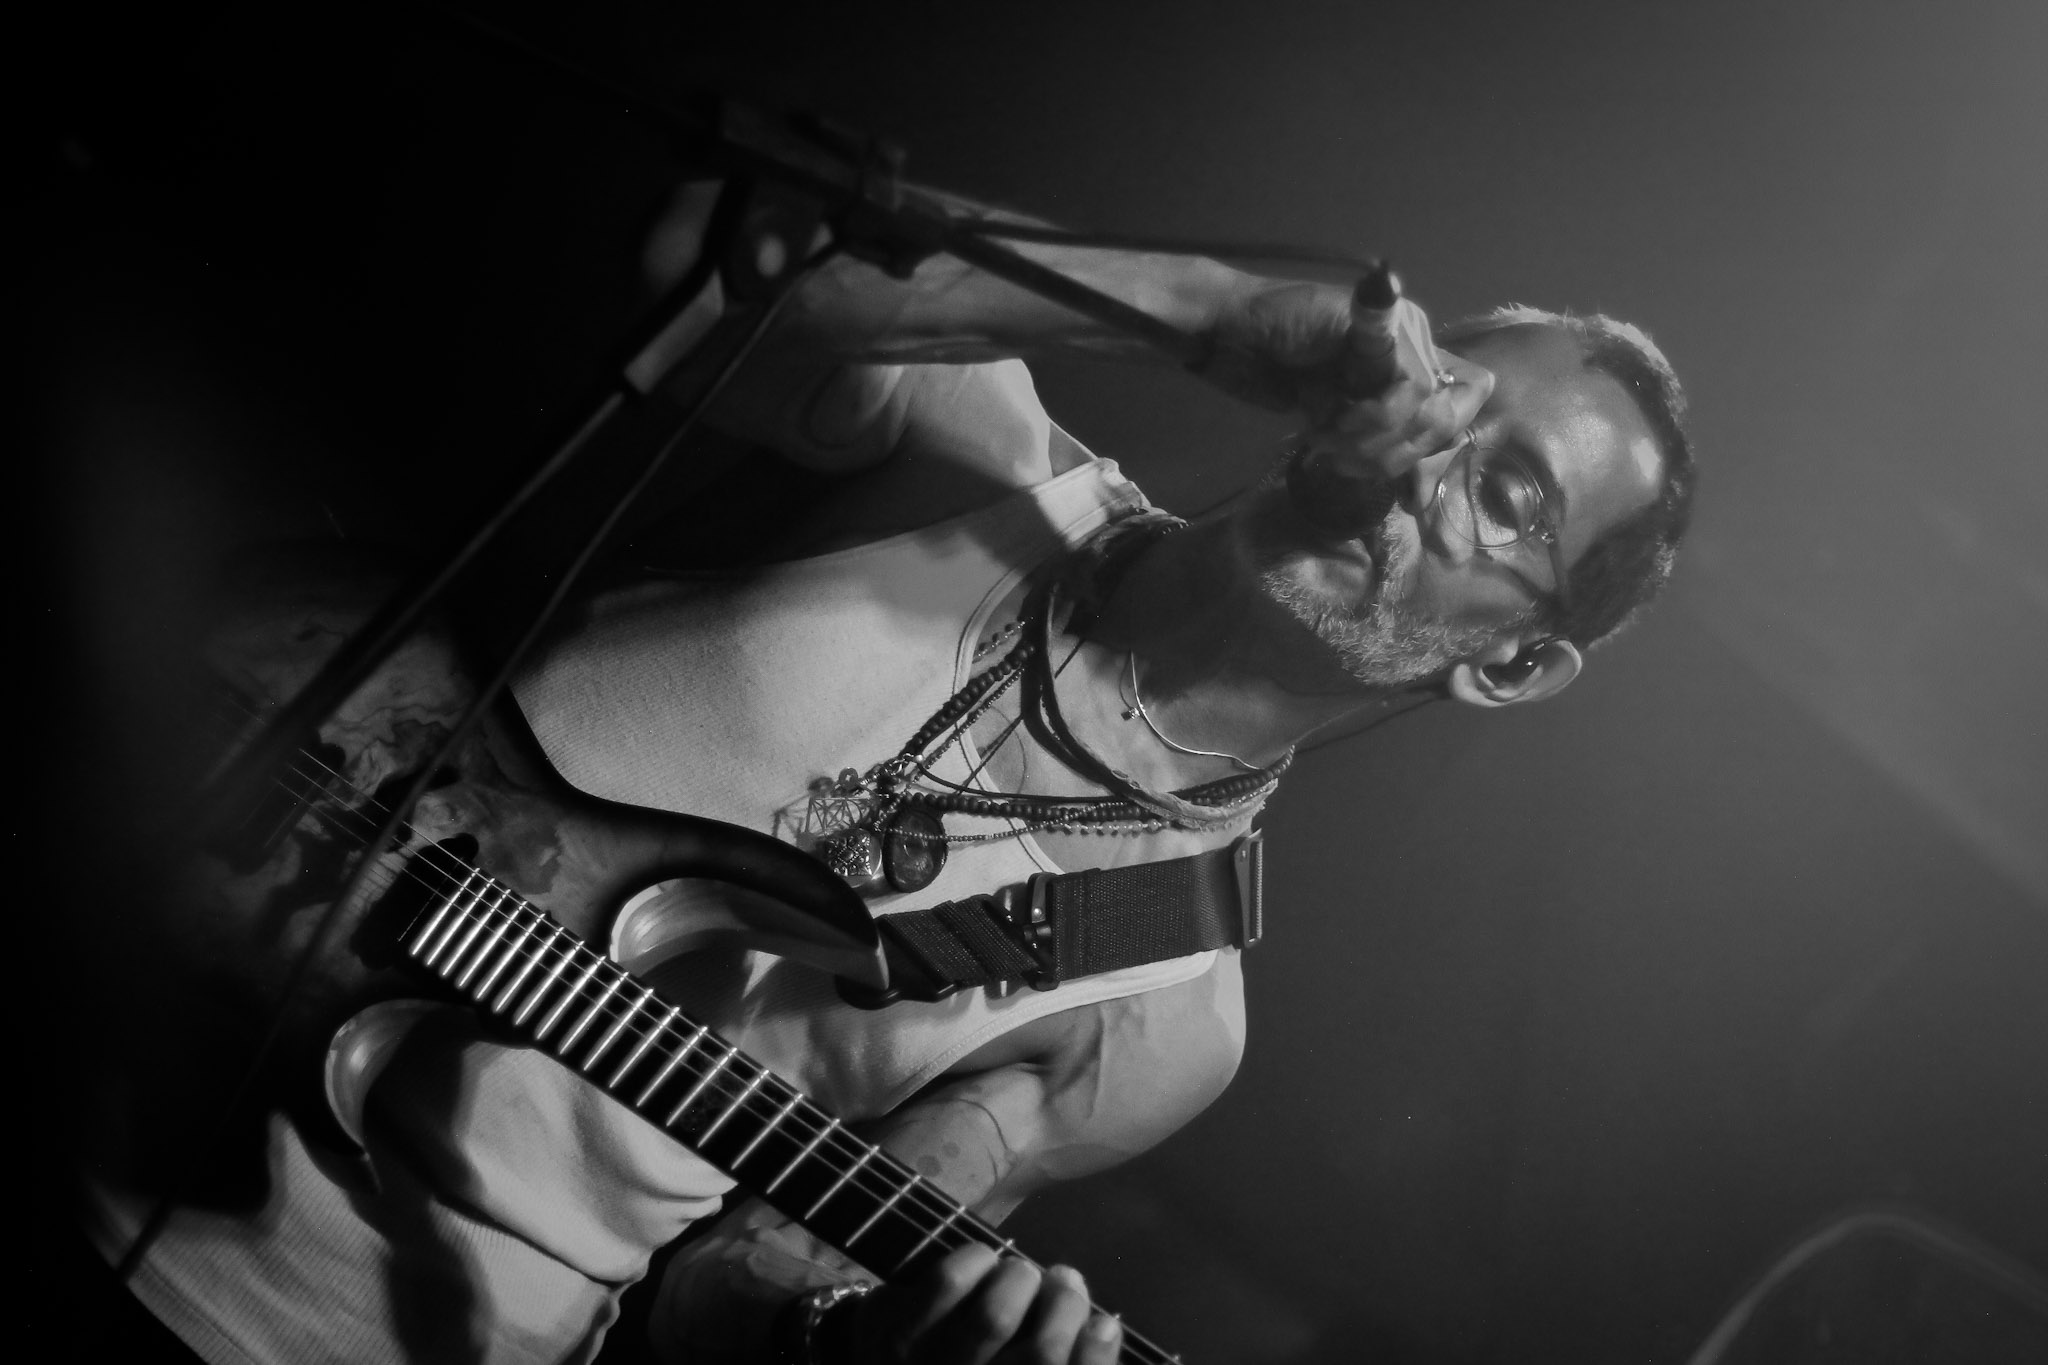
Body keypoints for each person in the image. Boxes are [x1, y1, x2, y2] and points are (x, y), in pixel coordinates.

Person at [79, 175, 1693, 1365]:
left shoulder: (1167, 1006)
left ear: (1515, 662)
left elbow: (746, 1284)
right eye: (1457, 392)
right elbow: (703, 255)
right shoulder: (979, 451)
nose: (1434, 463)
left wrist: (877, 1337)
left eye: (1514, 498)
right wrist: (1201, 308)